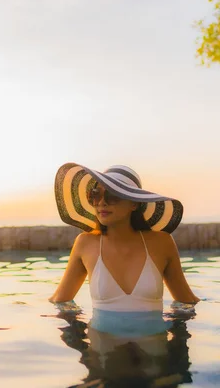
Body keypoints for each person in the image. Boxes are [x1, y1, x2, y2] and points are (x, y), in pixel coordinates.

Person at [49, 163, 200, 386]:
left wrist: (180, 355)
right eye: (95, 194)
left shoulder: (161, 243)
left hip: (155, 355)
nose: (102, 202)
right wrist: (80, 345)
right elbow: (60, 302)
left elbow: (186, 302)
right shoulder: (86, 244)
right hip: (103, 355)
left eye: (112, 195)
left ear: (133, 204)